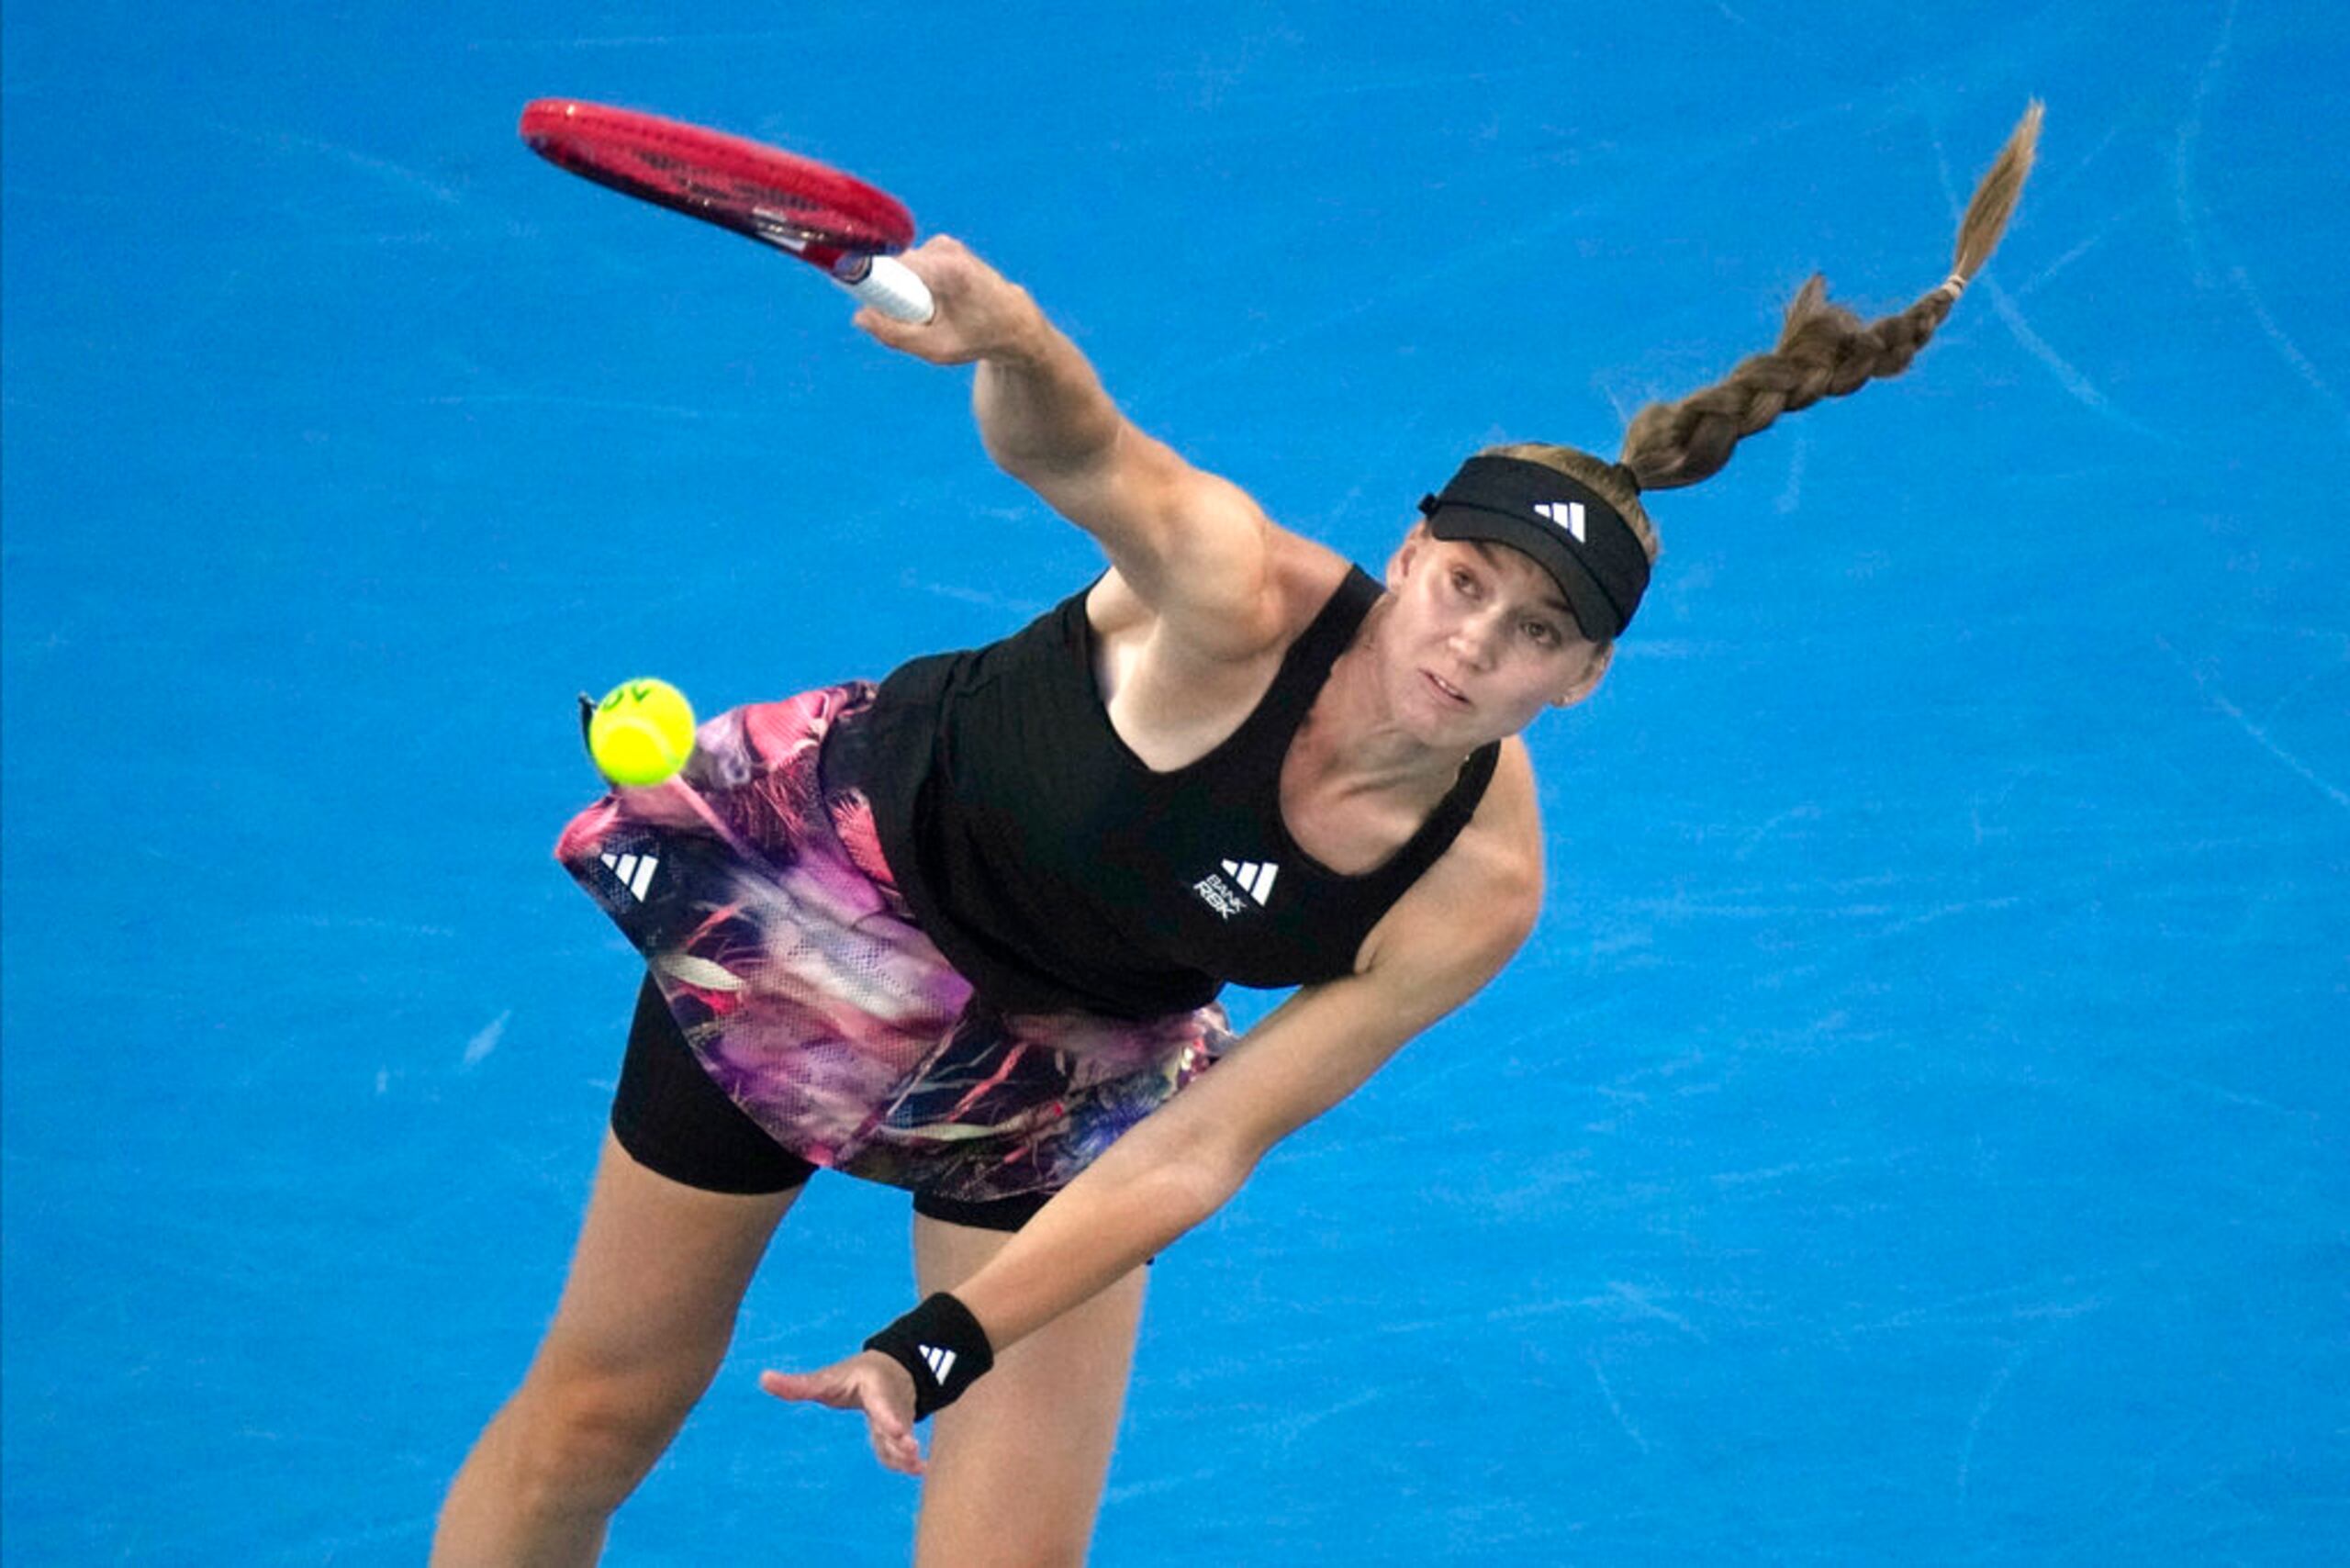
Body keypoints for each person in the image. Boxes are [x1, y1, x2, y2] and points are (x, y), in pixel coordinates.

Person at [432, 106, 2041, 1566]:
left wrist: (938, 1345)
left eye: (1535, 634)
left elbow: (1204, 1143)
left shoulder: (1473, 892)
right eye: (1466, 585)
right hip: (838, 913)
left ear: (1584, 680)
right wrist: (1019, 337)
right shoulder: (1231, 589)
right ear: (1413, 555)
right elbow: (1078, 449)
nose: (1474, 646)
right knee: (600, 1412)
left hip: (1071, 1058)